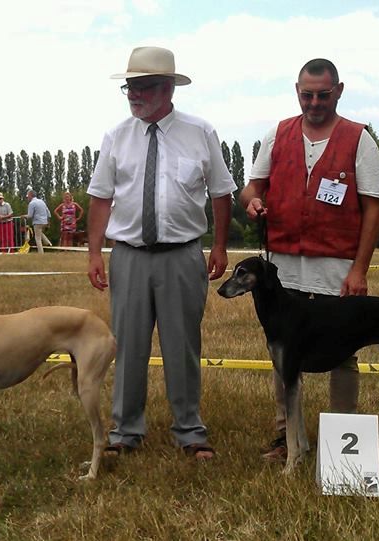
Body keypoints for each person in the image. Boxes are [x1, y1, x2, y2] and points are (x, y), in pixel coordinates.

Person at [86, 46, 235, 460]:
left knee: (182, 344)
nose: (134, 94)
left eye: (143, 86)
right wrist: (95, 252)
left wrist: (219, 244)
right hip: (129, 255)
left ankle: (190, 430)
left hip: (183, 255)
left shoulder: (200, 132)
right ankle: (124, 432)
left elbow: (221, 193)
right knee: (128, 345)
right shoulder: (117, 136)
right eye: (129, 87)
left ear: (168, 88)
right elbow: (100, 198)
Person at [239, 58, 379, 462]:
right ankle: (288, 440)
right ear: (297, 91)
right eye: (307, 95)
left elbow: (373, 209)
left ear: (339, 91)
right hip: (282, 266)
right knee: (283, 354)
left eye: (323, 94)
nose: (315, 102)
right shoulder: (277, 134)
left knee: (343, 354)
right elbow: (252, 186)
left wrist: (359, 270)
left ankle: (342, 450)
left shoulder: (360, 140)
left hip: (336, 266)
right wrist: (251, 200)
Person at [25, 189, 53, 254]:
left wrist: (24, 216)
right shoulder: (41, 201)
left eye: (28, 196)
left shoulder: (31, 203)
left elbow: (30, 215)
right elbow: (48, 212)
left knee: (37, 238)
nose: (27, 198)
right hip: (44, 221)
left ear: (30, 195)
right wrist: (48, 222)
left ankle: (41, 253)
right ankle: (48, 243)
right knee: (39, 233)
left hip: (37, 222)